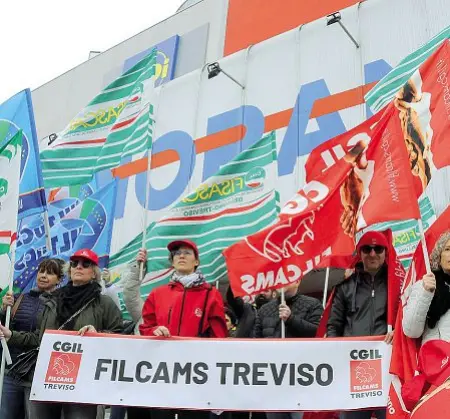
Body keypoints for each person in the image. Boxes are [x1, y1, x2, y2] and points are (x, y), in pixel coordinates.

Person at [0, 249, 123, 419]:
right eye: (74, 264)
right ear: (69, 270)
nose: (78, 267)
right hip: (46, 377)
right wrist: (11, 335)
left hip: (82, 381)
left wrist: (98, 335)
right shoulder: (53, 301)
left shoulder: (104, 303)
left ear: (94, 272)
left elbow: (120, 336)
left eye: (85, 264)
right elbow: (39, 338)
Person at [139, 239, 227, 419]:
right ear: (172, 261)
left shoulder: (211, 294)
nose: (181, 255)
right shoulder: (157, 293)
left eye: (187, 253)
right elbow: (145, 327)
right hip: (161, 373)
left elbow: (219, 336)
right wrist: (154, 331)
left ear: (196, 262)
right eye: (177, 253)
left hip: (195, 375)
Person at [327, 231, 393, 419]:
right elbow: (334, 326)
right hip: (352, 368)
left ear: (385, 252)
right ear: (359, 252)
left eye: (378, 249)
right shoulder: (345, 286)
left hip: (387, 369)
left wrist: (397, 332)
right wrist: (336, 355)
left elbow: (405, 321)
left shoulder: (396, 282)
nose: (373, 254)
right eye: (367, 248)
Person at [0, 258, 65, 419]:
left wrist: (12, 336)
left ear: (60, 279)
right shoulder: (18, 298)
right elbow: (5, 328)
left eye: (50, 273)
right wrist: (3, 310)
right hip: (12, 370)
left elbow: (43, 338)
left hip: (38, 374)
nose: (43, 275)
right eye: (41, 271)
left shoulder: (61, 304)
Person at [254, 280, 323, 419]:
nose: (280, 282)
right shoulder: (264, 309)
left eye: (285, 278)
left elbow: (318, 333)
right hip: (274, 378)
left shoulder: (313, 304)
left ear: (297, 281)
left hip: (302, 377)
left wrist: (291, 319)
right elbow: (256, 341)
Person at [403, 231, 450, 343]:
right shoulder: (425, 284)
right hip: (436, 357)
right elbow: (411, 331)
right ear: (439, 255)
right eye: (448, 249)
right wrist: (425, 293)